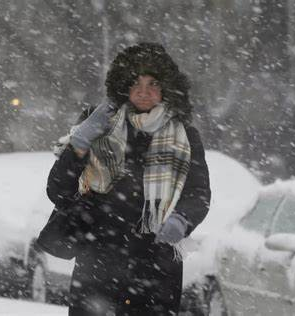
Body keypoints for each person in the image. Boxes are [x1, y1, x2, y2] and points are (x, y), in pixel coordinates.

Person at [38, 42, 211, 316]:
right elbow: (59, 190)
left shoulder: (185, 136)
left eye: (153, 83)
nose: (144, 91)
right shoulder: (100, 124)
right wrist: (80, 144)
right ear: (123, 86)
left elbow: (199, 194)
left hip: (156, 265)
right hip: (98, 259)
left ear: (166, 87)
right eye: (135, 82)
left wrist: (182, 219)